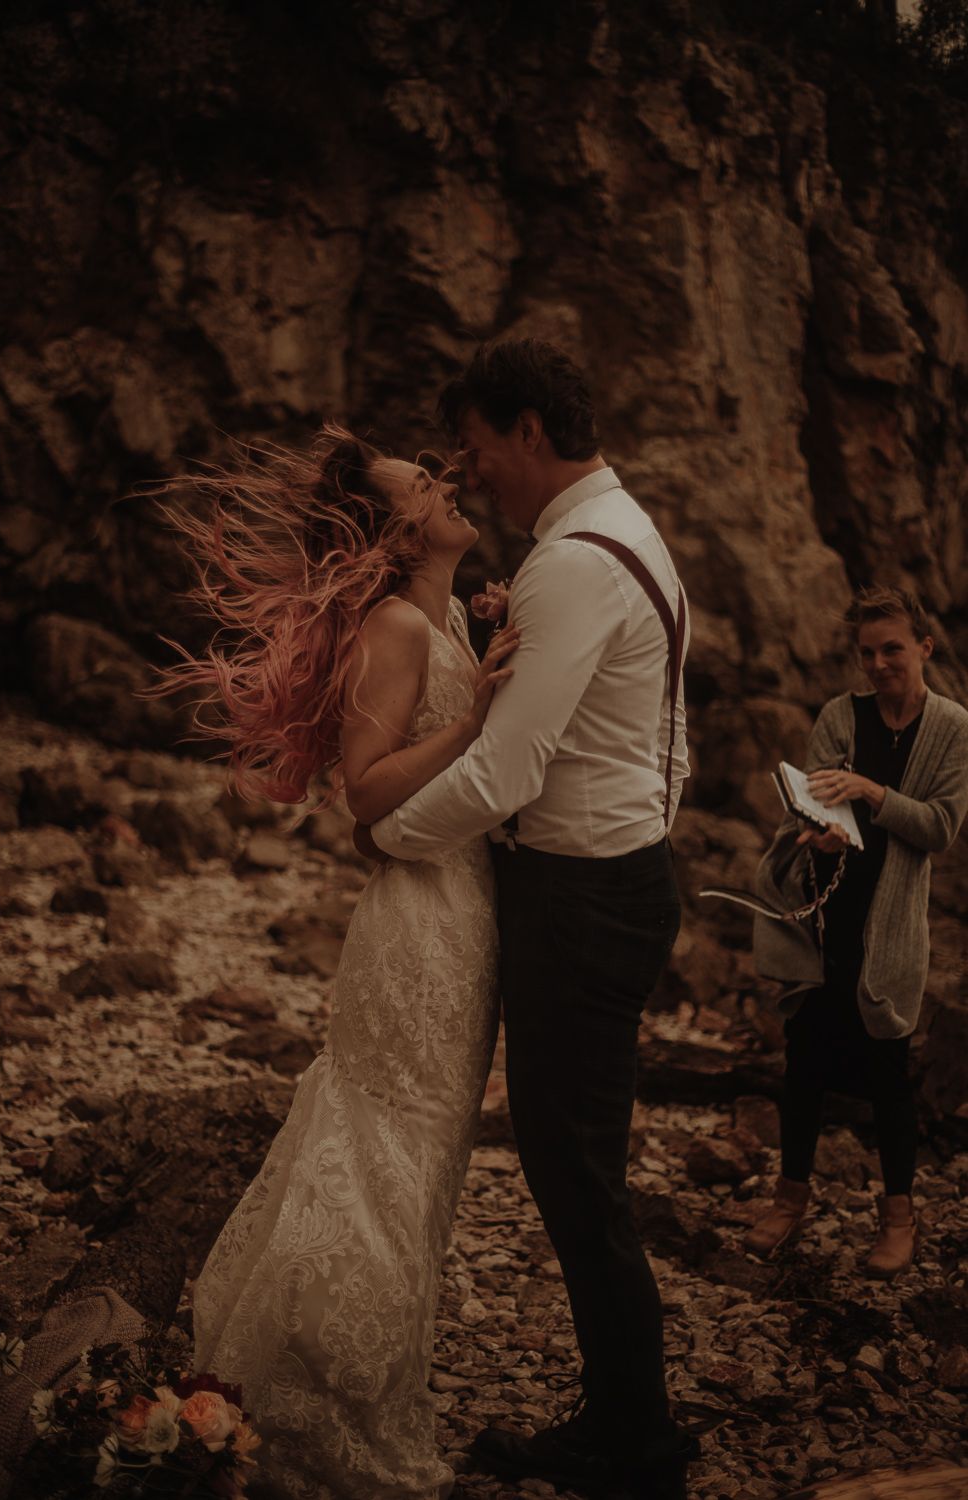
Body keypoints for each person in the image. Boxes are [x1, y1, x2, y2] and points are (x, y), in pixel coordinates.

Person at [157, 426, 518, 1500]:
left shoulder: (449, 617)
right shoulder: (396, 624)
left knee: (423, 1159)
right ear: (395, 533)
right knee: (382, 1152)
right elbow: (365, 790)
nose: (446, 486)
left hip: (462, 915)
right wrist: (480, 716)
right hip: (416, 930)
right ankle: (325, 1400)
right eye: (423, 486)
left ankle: (364, 1380)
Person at [366, 339, 699, 1500]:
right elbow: (666, 736)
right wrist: (642, 824)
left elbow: (506, 773)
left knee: (576, 1177)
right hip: (616, 878)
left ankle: (635, 1443)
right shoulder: (626, 535)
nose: (467, 469)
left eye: (474, 445)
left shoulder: (573, 564)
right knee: (577, 1168)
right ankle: (623, 1417)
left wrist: (387, 836)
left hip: (581, 902)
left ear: (527, 431)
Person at [749, 586, 968, 1276]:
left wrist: (872, 793)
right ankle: (789, 1200)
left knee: (887, 1073)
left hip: (892, 926)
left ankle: (899, 1218)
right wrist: (819, 834)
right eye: (866, 653)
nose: (877, 665)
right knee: (804, 1064)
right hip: (826, 918)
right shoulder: (840, 715)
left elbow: (940, 827)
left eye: (891, 649)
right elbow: (809, 808)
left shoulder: (953, 726)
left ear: (924, 647)